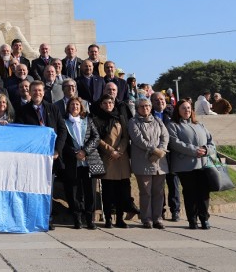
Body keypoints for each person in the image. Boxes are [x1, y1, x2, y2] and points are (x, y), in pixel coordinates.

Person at [15, 80, 67, 230]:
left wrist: (57, 150)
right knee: (31, 188)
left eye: (39, 90)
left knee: (47, 189)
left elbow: (62, 130)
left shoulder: (53, 109)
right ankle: (31, 218)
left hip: (50, 157)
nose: (37, 93)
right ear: (29, 93)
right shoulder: (23, 111)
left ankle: (46, 218)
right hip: (32, 158)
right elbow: (20, 133)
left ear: (44, 92)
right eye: (34, 91)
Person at [167, 98, 216, 230]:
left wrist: (206, 150)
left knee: (204, 193)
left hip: (203, 165)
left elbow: (212, 142)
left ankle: (204, 218)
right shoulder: (173, 125)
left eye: (188, 108)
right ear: (178, 110)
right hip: (185, 166)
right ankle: (192, 220)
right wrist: (194, 150)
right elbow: (174, 143)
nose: (186, 110)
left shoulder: (199, 125)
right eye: (183, 108)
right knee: (190, 194)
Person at [128, 98, 169, 229]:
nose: (145, 108)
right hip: (143, 162)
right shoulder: (133, 122)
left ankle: (158, 218)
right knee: (145, 192)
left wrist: (161, 149)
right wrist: (154, 150)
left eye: (147, 106)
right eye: (142, 106)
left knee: (159, 191)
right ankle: (146, 218)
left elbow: (165, 136)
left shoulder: (158, 121)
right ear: (137, 108)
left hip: (159, 163)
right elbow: (138, 139)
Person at [93, 94, 132, 228]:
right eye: (105, 103)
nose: (108, 105)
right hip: (107, 158)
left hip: (121, 158)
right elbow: (97, 139)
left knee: (122, 191)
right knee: (108, 191)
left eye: (110, 103)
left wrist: (119, 151)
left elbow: (126, 137)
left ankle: (119, 219)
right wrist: (111, 151)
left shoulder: (120, 118)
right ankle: (108, 218)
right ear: (101, 105)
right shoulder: (96, 119)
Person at [62, 97, 100, 229]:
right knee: (74, 191)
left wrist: (85, 151)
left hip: (87, 162)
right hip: (73, 162)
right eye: (72, 104)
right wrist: (75, 153)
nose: (75, 107)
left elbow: (96, 137)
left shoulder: (88, 121)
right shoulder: (64, 122)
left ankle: (90, 219)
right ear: (68, 107)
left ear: (81, 107)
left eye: (77, 104)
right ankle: (77, 218)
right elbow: (63, 141)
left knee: (89, 191)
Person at [151, 92, 179, 222]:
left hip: (171, 154)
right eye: (156, 100)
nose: (159, 102)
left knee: (173, 183)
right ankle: (159, 211)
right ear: (151, 102)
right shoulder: (147, 113)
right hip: (156, 154)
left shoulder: (172, 113)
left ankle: (175, 211)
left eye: (161, 99)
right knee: (158, 185)